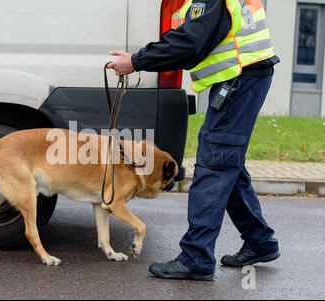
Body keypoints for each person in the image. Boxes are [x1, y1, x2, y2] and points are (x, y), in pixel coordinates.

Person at [107, 0, 280, 281]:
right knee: (226, 163)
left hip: (240, 76)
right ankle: (260, 241)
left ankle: (196, 258)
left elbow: (188, 42)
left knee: (215, 164)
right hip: (244, 75)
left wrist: (135, 61)